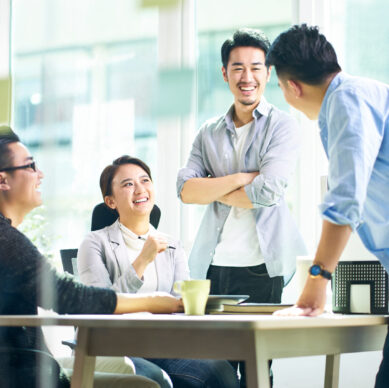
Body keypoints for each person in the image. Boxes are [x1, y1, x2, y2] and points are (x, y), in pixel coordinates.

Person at [0, 127, 183, 388]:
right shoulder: (6, 240)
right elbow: (69, 296)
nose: (40, 175)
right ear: (3, 181)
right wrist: (155, 300)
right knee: (149, 383)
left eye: (145, 181)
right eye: (30, 167)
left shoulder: (9, 236)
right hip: (23, 372)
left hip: (33, 365)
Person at [176, 28, 306, 387]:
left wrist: (212, 187)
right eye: (237, 68)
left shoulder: (282, 125)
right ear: (224, 73)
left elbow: (268, 190)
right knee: (211, 370)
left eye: (255, 67)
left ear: (268, 73)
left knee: (257, 367)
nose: (246, 77)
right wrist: (241, 178)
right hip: (213, 265)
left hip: (264, 267)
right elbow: (185, 191)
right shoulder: (208, 132)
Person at [266, 24, 389, 388]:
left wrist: (318, 278)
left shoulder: (346, 101)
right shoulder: (360, 94)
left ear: (292, 86)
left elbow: (346, 194)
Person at [77, 155, 240, 388]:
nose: (140, 189)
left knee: (220, 372)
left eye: (145, 180)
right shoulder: (94, 243)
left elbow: (181, 303)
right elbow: (100, 306)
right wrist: (143, 259)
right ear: (111, 201)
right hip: (115, 346)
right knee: (155, 380)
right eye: (128, 184)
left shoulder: (172, 245)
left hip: (163, 345)